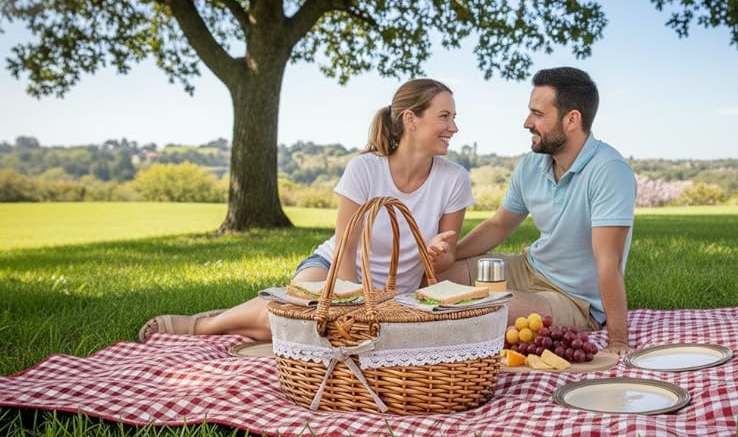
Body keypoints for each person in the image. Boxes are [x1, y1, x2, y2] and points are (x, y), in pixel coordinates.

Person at [138, 78, 472, 342]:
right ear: (411, 119)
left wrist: (434, 254)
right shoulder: (365, 169)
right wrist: (350, 306)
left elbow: (443, 262)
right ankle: (206, 326)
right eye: (444, 116)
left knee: (315, 334)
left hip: (396, 296)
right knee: (306, 319)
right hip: (332, 271)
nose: (454, 127)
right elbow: (345, 249)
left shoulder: (454, 179)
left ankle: (243, 317)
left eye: (455, 117)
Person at [429, 67, 636, 355]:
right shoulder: (532, 164)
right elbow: (499, 225)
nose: (527, 122)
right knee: (431, 282)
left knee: (488, 311)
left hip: (575, 300)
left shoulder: (609, 171)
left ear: (572, 119)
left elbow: (608, 263)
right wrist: (450, 256)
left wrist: (618, 342)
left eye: (538, 114)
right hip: (529, 268)